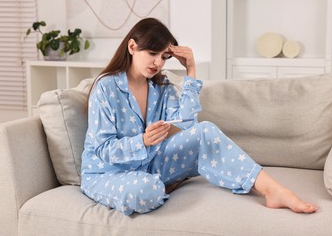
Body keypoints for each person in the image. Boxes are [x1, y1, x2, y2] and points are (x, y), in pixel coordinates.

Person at [80, 17, 317, 215]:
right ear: (132, 47)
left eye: (164, 57)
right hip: (108, 173)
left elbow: (188, 124)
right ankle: (166, 183)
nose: (158, 63)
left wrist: (190, 71)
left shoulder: (161, 86)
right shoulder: (106, 87)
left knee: (206, 131)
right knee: (146, 191)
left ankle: (273, 190)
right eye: (152, 53)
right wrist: (142, 141)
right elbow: (103, 149)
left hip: (150, 163)